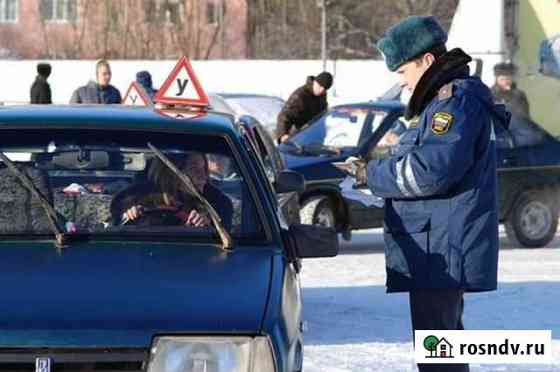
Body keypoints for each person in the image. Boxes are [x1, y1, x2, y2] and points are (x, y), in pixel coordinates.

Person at [355, 16, 510, 372]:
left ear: (427, 61)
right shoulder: (441, 102)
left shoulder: (453, 102)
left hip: (443, 247)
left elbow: (430, 172)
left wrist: (371, 175)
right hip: (437, 244)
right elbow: (417, 157)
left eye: (403, 70)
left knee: (439, 354)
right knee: (443, 350)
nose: (402, 80)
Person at [112, 152, 233, 231]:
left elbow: (223, 246)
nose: (203, 176)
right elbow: (113, 235)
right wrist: (128, 216)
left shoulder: (217, 206)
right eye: (194, 168)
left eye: (204, 169)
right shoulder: (131, 200)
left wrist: (208, 226)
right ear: (170, 174)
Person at [276, 72, 333, 144]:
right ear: (315, 82)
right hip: (300, 138)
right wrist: (283, 135)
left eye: (324, 89)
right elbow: (284, 115)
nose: (321, 90)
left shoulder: (322, 96)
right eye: (320, 86)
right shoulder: (300, 95)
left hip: (316, 138)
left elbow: (323, 114)